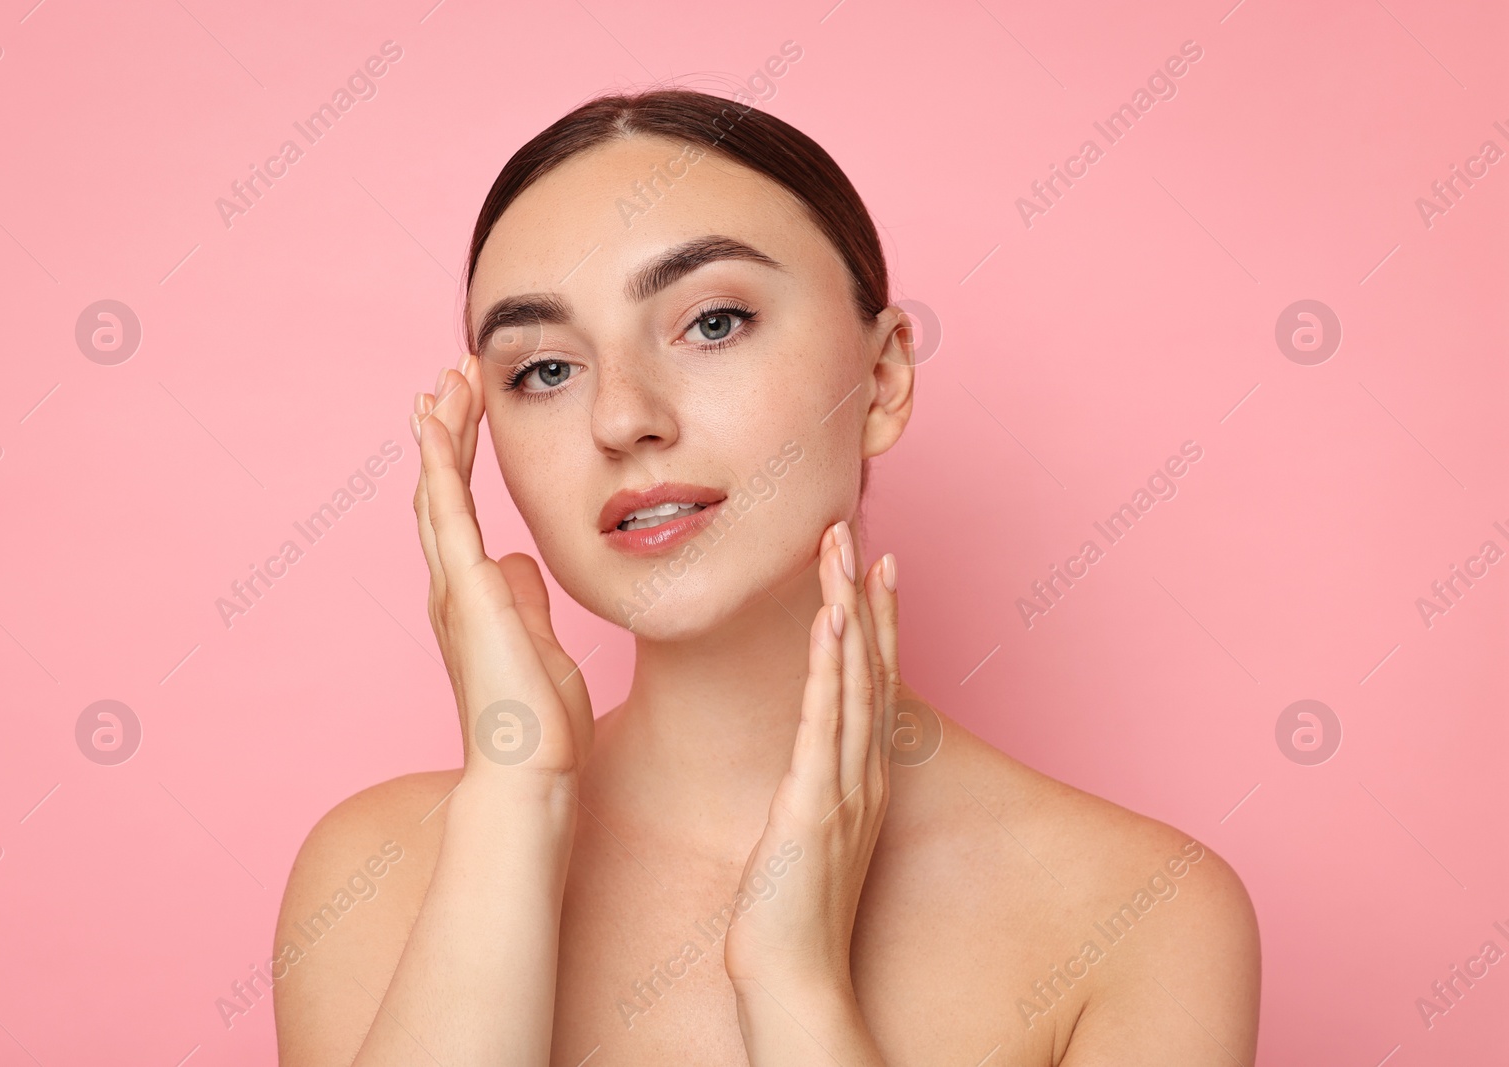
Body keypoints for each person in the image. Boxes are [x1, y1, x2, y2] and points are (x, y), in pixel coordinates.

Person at [272, 88, 1260, 1066]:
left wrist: (795, 987)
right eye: (544, 370)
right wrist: (515, 804)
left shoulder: (1140, 914)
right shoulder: (377, 876)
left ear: (881, 380)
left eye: (710, 322)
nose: (623, 418)